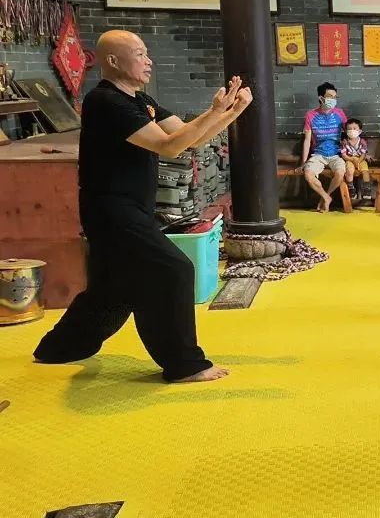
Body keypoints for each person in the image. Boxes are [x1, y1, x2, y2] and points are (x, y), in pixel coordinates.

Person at [33, 29, 253, 383]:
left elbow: (189, 139)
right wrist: (215, 110)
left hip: (132, 208)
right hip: (111, 210)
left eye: (147, 53)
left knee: (113, 289)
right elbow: (168, 146)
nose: (149, 61)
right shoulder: (106, 102)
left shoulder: (139, 100)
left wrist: (231, 111)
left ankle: (59, 348)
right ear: (113, 61)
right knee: (172, 270)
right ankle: (184, 363)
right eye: (140, 54)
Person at [300, 82, 348, 212]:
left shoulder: (340, 113)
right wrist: (303, 162)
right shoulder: (310, 115)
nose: (333, 100)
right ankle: (326, 198)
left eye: (335, 97)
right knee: (308, 175)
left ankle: (325, 197)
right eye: (330, 96)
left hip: (336, 154)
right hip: (318, 155)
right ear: (321, 98)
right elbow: (307, 140)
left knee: (340, 174)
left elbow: (349, 132)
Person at [340, 118, 373, 202]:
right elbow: (343, 155)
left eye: (354, 128)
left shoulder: (362, 142)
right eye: (349, 129)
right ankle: (351, 189)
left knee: (365, 172)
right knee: (349, 171)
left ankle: (367, 190)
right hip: (349, 160)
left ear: (360, 131)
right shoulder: (344, 142)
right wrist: (351, 159)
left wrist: (358, 161)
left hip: (361, 160)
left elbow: (363, 154)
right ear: (346, 131)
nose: (352, 131)